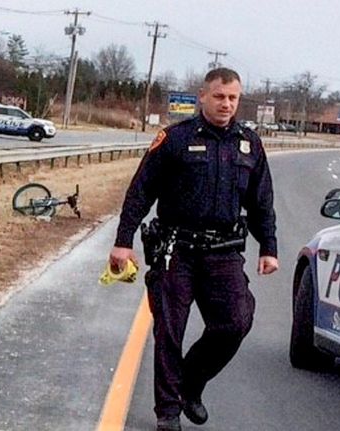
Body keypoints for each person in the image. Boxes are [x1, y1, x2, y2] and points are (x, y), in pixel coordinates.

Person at [109, 67, 278, 431]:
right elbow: (140, 191)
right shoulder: (174, 139)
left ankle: (191, 383)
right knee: (169, 331)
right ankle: (167, 412)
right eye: (219, 96)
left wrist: (269, 246)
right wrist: (123, 241)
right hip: (176, 251)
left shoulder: (249, 143)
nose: (226, 104)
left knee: (236, 322)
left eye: (233, 98)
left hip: (223, 252)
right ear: (202, 96)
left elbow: (262, 200)